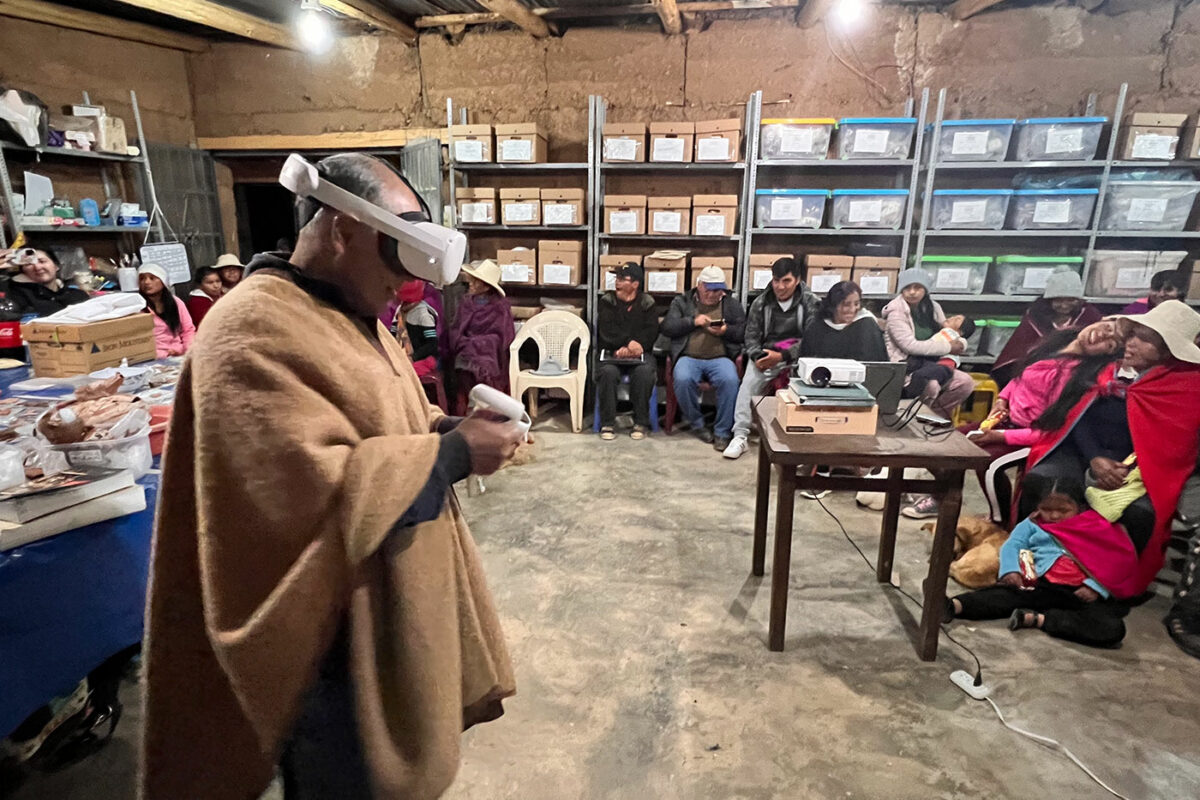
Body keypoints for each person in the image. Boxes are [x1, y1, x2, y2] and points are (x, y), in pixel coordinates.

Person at [141, 153, 518, 800]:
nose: (408, 285)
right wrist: (454, 458)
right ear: (343, 231)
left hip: (385, 616)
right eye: (397, 256)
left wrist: (442, 430)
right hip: (327, 654)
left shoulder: (349, 314)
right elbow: (305, 495)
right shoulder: (251, 329)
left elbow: (380, 418)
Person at [1019, 301, 1200, 613]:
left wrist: (1135, 470)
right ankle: (1034, 563)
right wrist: (1094, 459)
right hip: (1083, 453)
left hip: (1144, 472)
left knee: (1142, 515)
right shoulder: (1108, 371)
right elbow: (1078, 419)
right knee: (1046, 481)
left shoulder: (1188, 386)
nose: (1131, 342)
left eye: (1144, 338)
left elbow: (1179, 447)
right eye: (1132, 335)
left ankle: (1115, 586)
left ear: (1168, 348)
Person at [945, 475, 1133, 649]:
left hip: (1077, 593)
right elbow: (1013, 545)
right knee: (1002, 595)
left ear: (1080, 507)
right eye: (1046, 509)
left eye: (1063, 510)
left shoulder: (1095, 526)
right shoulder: (1032, 524)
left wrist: (1095, 587)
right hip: (1038, 582)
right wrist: (1011, 570)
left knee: (1113, 628)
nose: (1054, 516)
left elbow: (1115, 560)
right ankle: (954, 606)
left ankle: (1039, 620)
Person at [967, 321, 1124, 525]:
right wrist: (1002, 400)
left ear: (1106, 355)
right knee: (948, 444)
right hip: (1005, 421)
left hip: (1029, 436)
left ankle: (999, 521)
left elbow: (1053, 430)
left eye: (1110, 344)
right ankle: (939, 497)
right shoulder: (1054, 345)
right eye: (1108, 328)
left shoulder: (1076, 377)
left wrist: (1000, 436)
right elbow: (1018, 379)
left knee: (989, 464)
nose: (1103, 336)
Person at [722, 257, 818, 460]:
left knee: (806, 391)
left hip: (798, 357)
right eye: (776, 280)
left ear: (798, 280)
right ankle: (740, 435)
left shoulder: (811, 302)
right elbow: (751, 335)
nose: (780, 287)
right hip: (766, 355)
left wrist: (784, 355)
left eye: (786, 281)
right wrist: (757, 356)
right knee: (747, 385)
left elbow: (813, 338)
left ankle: (802, 440)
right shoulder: (761, 302)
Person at [661, 265, 746, 449]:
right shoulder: (682, 301)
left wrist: (726, 331)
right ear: (699, 285)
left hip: (720, 357)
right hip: (689, 356)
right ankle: (697, 424)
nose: (714, 294)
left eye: (718, 289)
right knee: (682, 379)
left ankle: (722, 431)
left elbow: (743, 332)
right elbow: (667, 327)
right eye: (710, 289)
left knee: (730, 380)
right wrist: (693, 321)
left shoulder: (731, 304)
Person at [991, 270, 1103, 386]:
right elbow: (1018, 352)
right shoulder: (1035, 316)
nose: (1064, 305)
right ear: (1049, 300)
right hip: (1036, 374)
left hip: (1077, 376)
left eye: (1071, 300)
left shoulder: (1090, 316)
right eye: (1058, 300)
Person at [594, 262, 660, 440]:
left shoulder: (647, 303)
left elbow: (651, 331)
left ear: (635, 284)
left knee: (645, 372)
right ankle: (607, 423)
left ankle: (641, 423)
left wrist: (635, 348)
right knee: (607, 372)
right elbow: (606, 330)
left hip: (640, 353)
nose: (618, 282)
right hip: (611, 352)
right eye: (617, 278)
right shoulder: (607, 301)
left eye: (623, 279)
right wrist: (626, 343)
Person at [448, 259, 515, 413]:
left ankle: (489, 409)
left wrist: (480, 344)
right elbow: (457, 328)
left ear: (486, 286)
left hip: (489, 354)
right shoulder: (466, 303)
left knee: (482, 364)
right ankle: (463, 408)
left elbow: (503, 336)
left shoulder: (499, 307)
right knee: (461, 365)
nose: (470, 284)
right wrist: (463, 341)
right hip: (465, 349)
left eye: (476, 281)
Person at [799, 280, 888, 362]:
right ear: (833, 305)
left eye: (856, 304)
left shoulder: (867, 326)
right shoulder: (816, 328)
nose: (852, 309)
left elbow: (876, 363)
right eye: (846, 304)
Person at [3, 248, 89, 316]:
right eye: (29, 264)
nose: (37, 267)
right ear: (23, 272)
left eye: (42, 261)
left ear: (56, 266)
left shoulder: (77, 295)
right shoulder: (16, 296)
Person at [138, 263, 196, 358]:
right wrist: (161, 354)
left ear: (163, 281)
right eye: (142, 279)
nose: (146, 282)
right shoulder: (137, 306)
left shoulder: (176, 302)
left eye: (152, 278)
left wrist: (187, 350)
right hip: (151, 358)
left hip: (179, 354)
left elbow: (188, 330)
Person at [390, 279, 440, 379]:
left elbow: (432, 344)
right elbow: (392, 335)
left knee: (403, 375)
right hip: (401, 356)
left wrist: (413, 358)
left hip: (423, 360)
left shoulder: (424, 314)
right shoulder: (400, 310)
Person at [1120, 269, 1189, 315]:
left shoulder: (1187, 316)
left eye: (1168, 290)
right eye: (1156, 289)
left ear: (1181, 292)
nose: (1161, 294)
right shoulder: (1135, 310)